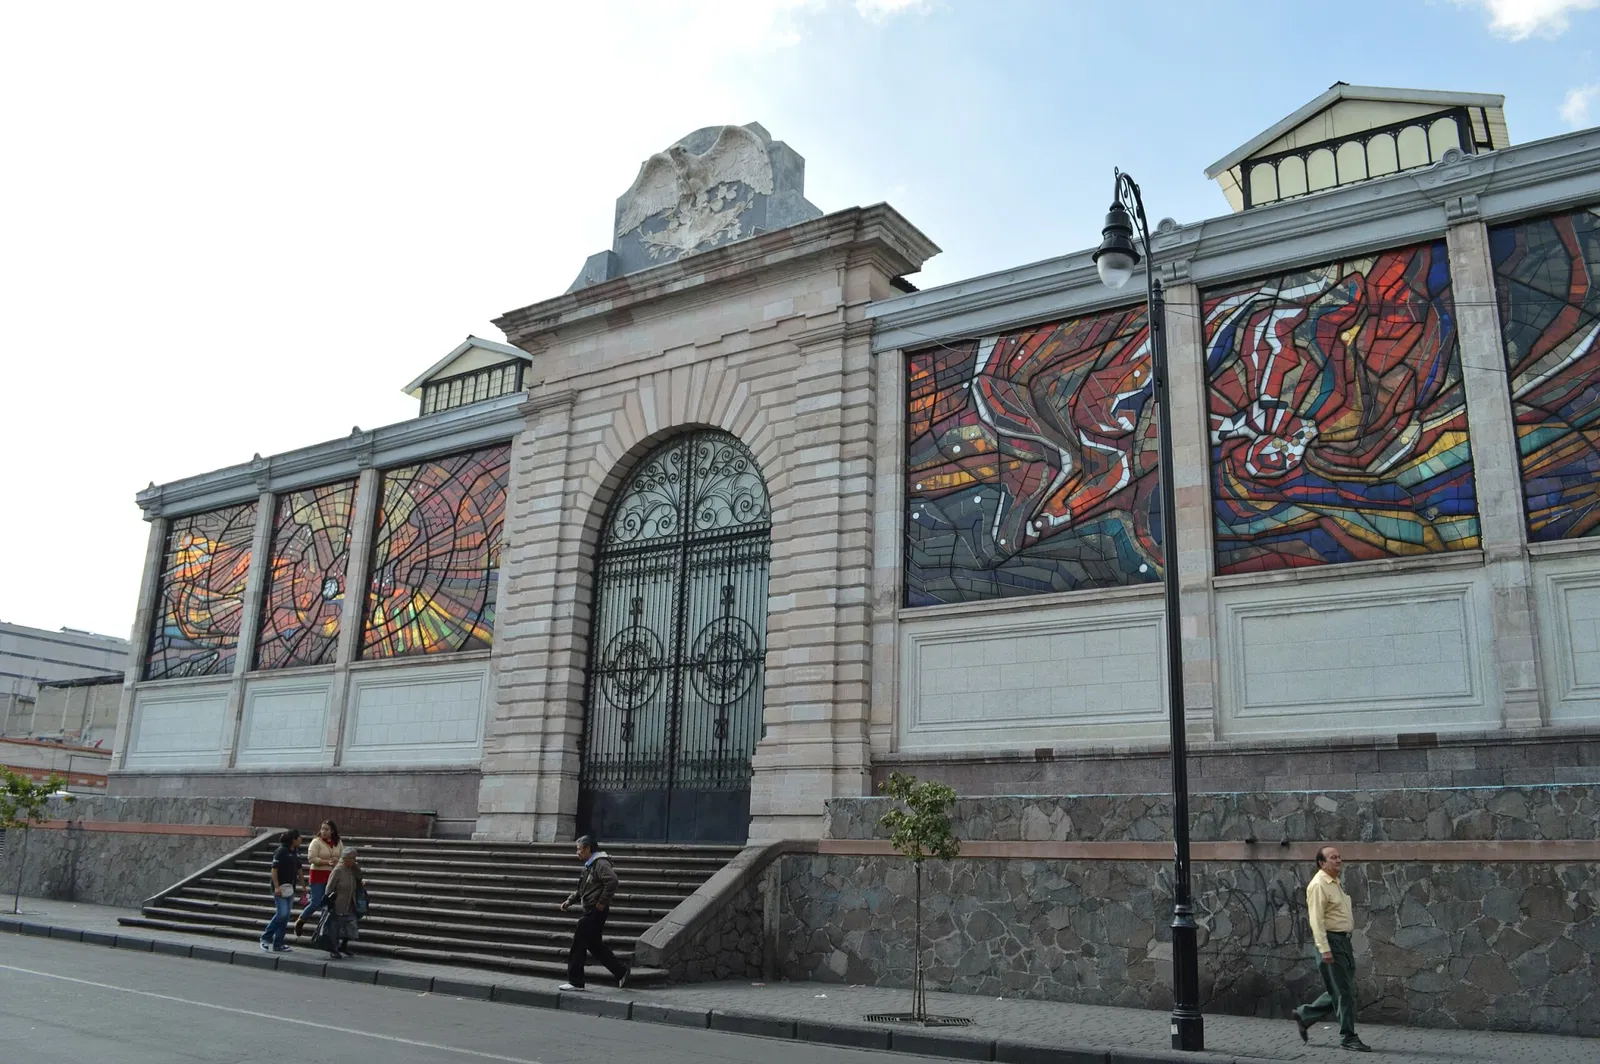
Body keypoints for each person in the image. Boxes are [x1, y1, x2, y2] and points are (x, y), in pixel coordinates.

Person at [1292, 846, 1371, 1052]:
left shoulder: (1334, 883)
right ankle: (1348, 1037)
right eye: (1333, 858)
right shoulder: (1319, 885)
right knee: (1344, 993)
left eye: (1339, 857)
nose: (1338, 860)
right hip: (1332, 943)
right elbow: (1316, 920)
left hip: (1343, 942)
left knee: (1345, 990)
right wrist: (1324, 948)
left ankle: (1305, 1015)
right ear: (1322, 863)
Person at [557, 835, 629, 991]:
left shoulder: (601, 863)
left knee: (578, 944)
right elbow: (582, 889)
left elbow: (612, 881)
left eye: (579, 849)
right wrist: (570, 901)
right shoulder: (590, 865)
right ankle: (621, 971)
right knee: (594, 945)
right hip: (592, 909)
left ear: (588, 848)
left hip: (595, 911)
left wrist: (602, 903)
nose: (577, 852)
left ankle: (576, 981)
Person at [294, 820, 342, 937]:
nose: (324, 832)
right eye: (322, 829)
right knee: (316, 902)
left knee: (330, 903)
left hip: (332, 876)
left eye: (326, 829)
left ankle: (325, 929)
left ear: (332, 831)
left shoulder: (338, 842)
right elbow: (311, 858)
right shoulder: (316, 842)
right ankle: (301, 920)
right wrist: (326, 862)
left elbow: (342, 856)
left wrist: (338, 861)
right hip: (318, 875)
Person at [260, 829, 301, 953]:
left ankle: (278, 943)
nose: (301, 840)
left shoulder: (296, 852)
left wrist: (304, 886)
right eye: (299, 837)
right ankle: (265, 938)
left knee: (286, 916)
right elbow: (274, 869)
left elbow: (299, 868)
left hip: (290, 889)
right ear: (293, 839)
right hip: (280, 889)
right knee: (282, 914)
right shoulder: (281, 851)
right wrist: (277, 887)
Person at [322, 848, 365, 960]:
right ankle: (334, 949)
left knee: (351, 925)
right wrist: (329, 901)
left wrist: (356, 869)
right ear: (345, 858)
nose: (354, 861)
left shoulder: (352, 869)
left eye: (355, 858)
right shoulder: (338, 870)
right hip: (338, 903)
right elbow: (329, 887)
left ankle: (344, 946)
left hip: (350, 902)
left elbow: (359, 879)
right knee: (335, 927)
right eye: (352, 858)